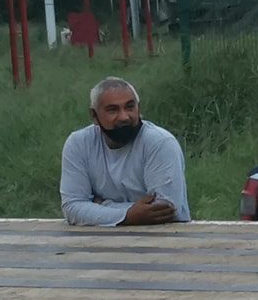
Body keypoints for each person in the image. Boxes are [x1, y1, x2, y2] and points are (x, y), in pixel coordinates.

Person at [60, 76, 192, 227]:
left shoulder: (160, 143)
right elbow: (72, 208)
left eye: (130, 107)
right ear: (94, 116)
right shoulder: (78, 144)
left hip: (166, 241)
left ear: (139, 108)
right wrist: (128, 215)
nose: (124, 117)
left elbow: (164, 210)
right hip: (99, 242)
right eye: (112, 110)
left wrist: (103, 205)